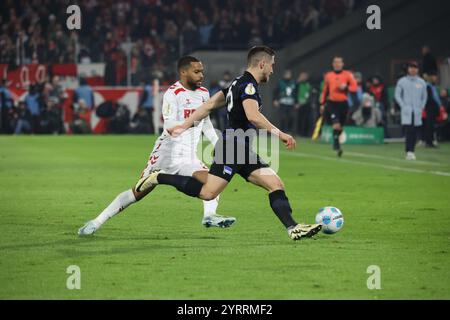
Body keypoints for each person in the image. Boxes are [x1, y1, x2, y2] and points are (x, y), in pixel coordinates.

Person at [139, 46, 321, 241]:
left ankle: (293, 228)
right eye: (272, 65)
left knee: (275, 183)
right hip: (232, 149)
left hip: (243, 150)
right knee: (208, 193)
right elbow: (253, 115)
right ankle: (159, 177)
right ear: (262, 64)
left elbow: (208, 105)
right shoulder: (248, 86)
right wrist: (280, 133)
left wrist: (184, 125)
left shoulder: (236, 84)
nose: (272, 70)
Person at [78, 56, 236, 236]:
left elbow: (206, 122)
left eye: (202, 71)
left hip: (188, 157)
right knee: (137, 192)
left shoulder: (203, 93)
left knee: (213, 183)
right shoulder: (173, 93)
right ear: (183, 72)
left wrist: (217, 143)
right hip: (166, 153)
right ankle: (97, 221)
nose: (201, 75)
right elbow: (168, 126)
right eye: (196, 71)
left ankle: (209, 216)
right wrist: (189, 123)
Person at [320, 56, 358, 157]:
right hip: (332, 103)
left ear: (342, 64)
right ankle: (337, 145)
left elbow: (355, 88)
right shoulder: (329, 75)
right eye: (335, 62)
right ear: (333, 64)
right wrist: (322, 104)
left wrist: (346, 87)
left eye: (339, 62)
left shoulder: (348, 75)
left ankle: (336, 139)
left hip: (343, 104)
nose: (337, 64)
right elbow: (325, 90)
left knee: (340, 127)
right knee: (336, 124)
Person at [394, 60, 427, 160]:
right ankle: (409, 151)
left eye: (415, 68)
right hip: (407, 110)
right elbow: (397, 95)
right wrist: (403, 105)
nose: (413, 69)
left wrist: (422, 106)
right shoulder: (402, 81)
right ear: (408, 69)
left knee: (415, 131)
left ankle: (411, 151)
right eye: (411, 67)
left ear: (417, 69)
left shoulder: (421, 82)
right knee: (409, 131)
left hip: (417, 111)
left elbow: (424, 96)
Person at [273, 69, 298, 134]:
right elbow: (275, 92)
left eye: (289, 74)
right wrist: (275, 100)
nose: (288, 76)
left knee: (291, 117)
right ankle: (282, 131)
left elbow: (296, 93)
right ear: (284, 75)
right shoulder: (280, 82)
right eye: (287, 74)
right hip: (283, 103)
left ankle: (289, 131)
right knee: (283, 118)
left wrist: (296, 102)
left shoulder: (293, 82)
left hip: (291, 103)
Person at [422, 71, 441, 148]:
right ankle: (429, 142)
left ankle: (430, 141)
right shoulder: (427, 86)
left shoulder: (433, 86)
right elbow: (429, 99)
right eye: (433, 76)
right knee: (429, 125)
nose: (435, 78)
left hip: (434, 107)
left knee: (431, 125)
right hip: (430, 107)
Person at [296, 72, 313, 137]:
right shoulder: (297, 84)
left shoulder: (308, 84)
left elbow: (310, 94)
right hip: (299, 105)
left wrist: (309, 102)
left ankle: (305, 134)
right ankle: (299, 133)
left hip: (306, 105)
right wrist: (297, 103)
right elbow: (294, 92)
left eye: (305, 76)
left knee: (306, 120)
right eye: (302, 76)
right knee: (299, 119)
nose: (304, 77)